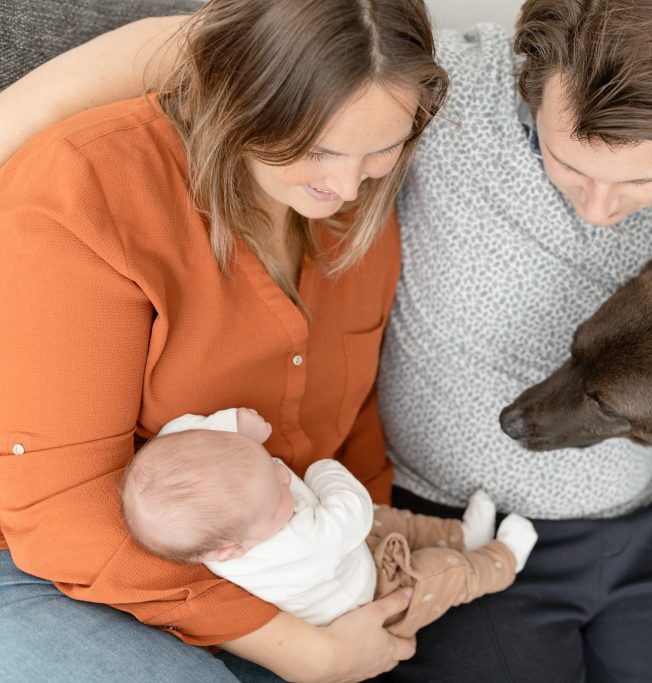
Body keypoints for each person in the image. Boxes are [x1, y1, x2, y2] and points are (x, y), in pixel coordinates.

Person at [0, 0, 652, 680]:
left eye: (642, 183)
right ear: (524, 89)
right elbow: (252, 45)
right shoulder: (432, 107)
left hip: (615, 526)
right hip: (384, 525)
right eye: (567, 164)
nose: (598, 214)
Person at [0, 0, 452, 681]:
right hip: (57, 565)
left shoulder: (355, 204)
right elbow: (60, 517)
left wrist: (379, 562)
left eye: (381, 152)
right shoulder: (88, 189)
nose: (345, 186)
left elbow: (350, 418)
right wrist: (303, 649)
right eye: (316, 150)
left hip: (281, 558)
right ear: (240, 98)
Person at [122, 407, 537, 636]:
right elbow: (350, 510)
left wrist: (230, 426)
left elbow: (182, 432)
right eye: (278, 493)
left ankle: (464, 534)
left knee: (395, 521)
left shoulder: (219, 515)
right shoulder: (298, 544)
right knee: (435, 574)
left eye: (270, 464)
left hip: (351, 550)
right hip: (372, 596)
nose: (286, 476)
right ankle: (500, 560)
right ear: (233, 550)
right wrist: (323, 471)